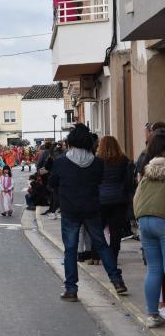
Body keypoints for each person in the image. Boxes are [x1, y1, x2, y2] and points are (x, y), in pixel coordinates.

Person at [49, 124, 127, 301]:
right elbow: (99, 181)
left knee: (70, 249)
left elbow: (52, 182)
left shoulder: (61, 162)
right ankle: (117, 280)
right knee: (101, 244)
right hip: (92, 208)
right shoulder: (97, 163)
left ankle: (71, 290)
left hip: (70, 210)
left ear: (71, 141)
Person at [133, 133, 165, 328]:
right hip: (163, 219)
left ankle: (152, 315)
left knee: (154, 269)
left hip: (144, 220)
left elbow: (136, 198)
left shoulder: (146, 172)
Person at [95, 136, 133, 264]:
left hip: (101, 199)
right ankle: (113, 257)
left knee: (98, 229)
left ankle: (97, 255)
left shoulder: (97, 161)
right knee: (116, 231)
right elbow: (128, 181)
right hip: (119, 200)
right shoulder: (124, 160)